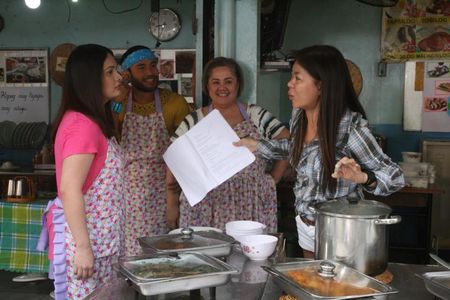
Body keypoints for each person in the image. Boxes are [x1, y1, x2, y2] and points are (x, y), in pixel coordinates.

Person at [235, 45, 405, 258]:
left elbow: (395, 177)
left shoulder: (350, 128)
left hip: (342, 232)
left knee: (336, 288)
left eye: (298, 78)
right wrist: (257, 145)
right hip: (306, 222)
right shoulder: (300, 116)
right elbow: (297, 148)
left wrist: (363, 177)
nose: (290, 84)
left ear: (322, 85)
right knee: (312, 282)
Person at [38, 44, 124, 300]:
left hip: (104, 242)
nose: (118, 77)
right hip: (89, 246)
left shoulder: (94, 120)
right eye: (110, 71)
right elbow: (69, 188)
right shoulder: (82, 125)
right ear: (90, 79)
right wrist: (84, 248)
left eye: (116, 70)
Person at [166, 57, 290, 233]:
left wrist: (274, 177)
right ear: (207, 86)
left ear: (238, 84)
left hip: (251, 200)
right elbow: (173, 159)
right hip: (205, 205)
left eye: (228, 82)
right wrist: (172, 201)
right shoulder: (193, 120)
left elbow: (287, 142)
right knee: (205, 256)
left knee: (250, 255)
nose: (222, 88)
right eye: (215, 82)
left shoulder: (256, 115)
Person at [113, 45, 191, 256]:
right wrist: (117, 99)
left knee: (163, 255)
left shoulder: (175, 103)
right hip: (126, 197)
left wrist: (173, 200)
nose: (151, 72)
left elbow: (185, 154)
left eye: (153, 65)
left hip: (165, 192)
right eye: (141, 67)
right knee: (130, 256)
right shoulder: (117, 106)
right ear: (127, 73)